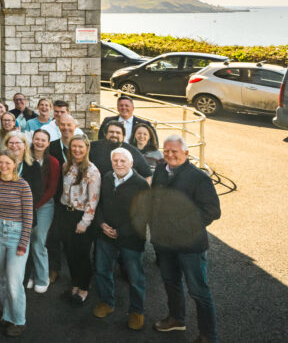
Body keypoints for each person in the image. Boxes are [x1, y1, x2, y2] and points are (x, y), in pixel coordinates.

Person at [141, 134, 221, 341]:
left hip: (189, 245)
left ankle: (208, 335)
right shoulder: (160, 169)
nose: (169, 155)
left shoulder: (199, 178)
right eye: (166, 151)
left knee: (199, 291)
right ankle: (176, 319)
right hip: (164, 243)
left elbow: (212, 210)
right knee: (171, 283)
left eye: (174, 151)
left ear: (186, 153)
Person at [92, 147, 150, 331]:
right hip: (105, 235)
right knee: (102, 270)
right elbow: (98, 204)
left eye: (123, 161)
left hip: (131, 239)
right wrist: (101, 225)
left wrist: (120, 232)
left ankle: (136, 311)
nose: (119, 164)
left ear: (131, 163)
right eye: (115, 161)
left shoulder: (141, 184)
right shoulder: (107, 177)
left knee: (135, 277)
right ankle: (107, 302)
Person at [0, 151, 34, 338]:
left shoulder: (23, 185)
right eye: (0, 163)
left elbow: (29, 216)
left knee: (14, 281)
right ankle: (7, 312)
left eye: (7, 163)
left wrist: (23, 242)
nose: (3, 166)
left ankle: (18, 320)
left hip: (16, 234)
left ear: (15, 164)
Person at [56, 133, 101, 305]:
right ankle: (74, 283)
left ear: (87, 148)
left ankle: (83, 287)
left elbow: (93, 199)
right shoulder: (66, 166)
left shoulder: (92, 171)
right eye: (74, 146)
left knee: (82, 254)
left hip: (81, 215)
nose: (77, 149)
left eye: (80, 146)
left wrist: (85, 222)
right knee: (69, 252)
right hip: (65, 213)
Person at [27, 128, 60, 293]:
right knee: (28, 239)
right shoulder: (26, 158)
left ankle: (42, 277)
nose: (39, 143)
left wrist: (36, 205)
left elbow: (52, 189)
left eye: (43, 140)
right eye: (37, 139)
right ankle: (31, 275)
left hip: (44, 205)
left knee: (39, 239)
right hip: (26, 205)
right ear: (32, 140)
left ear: (48, 143)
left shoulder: (53, 162)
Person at [4, 131, 43, 214]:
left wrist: (19, 206)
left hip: (24, 212)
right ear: (6, 145)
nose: (14, 146)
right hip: (3, 211)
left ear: (25, 145)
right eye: (11, 143)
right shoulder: (0, 164)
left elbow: (37, 193)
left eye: (18, 142)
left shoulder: (34, 166)